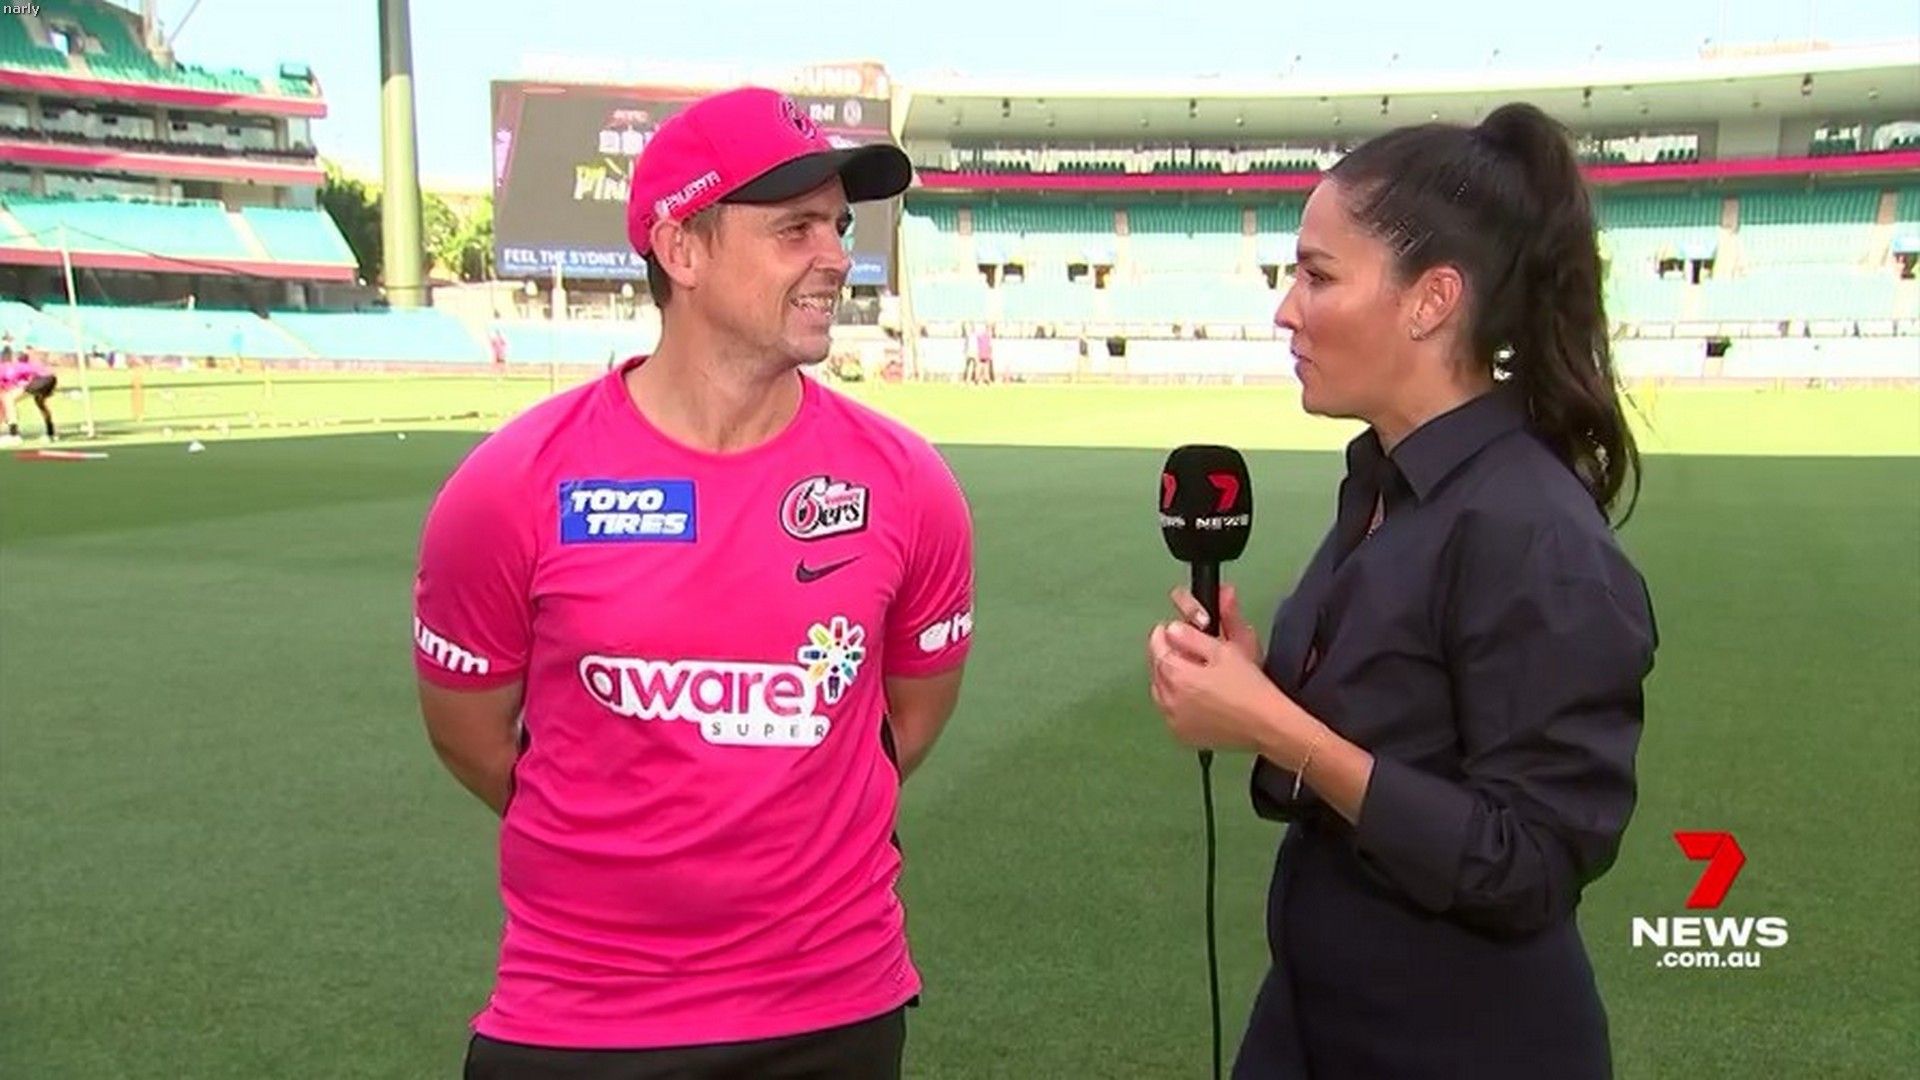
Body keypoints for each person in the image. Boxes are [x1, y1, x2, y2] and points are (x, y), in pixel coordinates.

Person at [413, 87, 975, 1079]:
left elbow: (907, 721)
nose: (837, 256)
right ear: (682, 249)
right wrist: (622, 838)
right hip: (579, 1022)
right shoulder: (513, 485)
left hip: (833, 1014)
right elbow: (472, 736)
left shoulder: (905, 484)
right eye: (795, 228)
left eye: (839, 226)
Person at [1146, 102, 1657, 1079]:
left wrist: (1275, 725)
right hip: (1314, 1016)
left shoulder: (1532, 532)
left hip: (1463, 1045)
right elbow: (1396, 732)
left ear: (1431, 302)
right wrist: (1254, 685)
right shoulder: (1382, 483)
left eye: (1317, 275)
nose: (1286, 310)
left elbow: (1527, 863)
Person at [0, 351, 58, 441]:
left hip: (43, 379)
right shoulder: (19, 367)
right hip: (52, 378)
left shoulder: (5, 369)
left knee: (8, 398)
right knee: (41, 404)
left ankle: (14, 435)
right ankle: (51, 433)